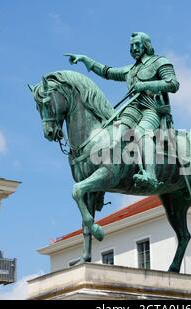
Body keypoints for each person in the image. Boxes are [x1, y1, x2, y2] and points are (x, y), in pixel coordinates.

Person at [67, 32, 179, 191]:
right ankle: (109, 174)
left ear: (145, 45)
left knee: (140, 133)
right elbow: (107, 71)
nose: (134, 48)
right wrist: (86, 59)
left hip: (152, 110)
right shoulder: (130, 70)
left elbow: (173, 84)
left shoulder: (159, 62)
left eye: (137, 45)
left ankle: (151, 175)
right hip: (133, 109)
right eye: (131, 46)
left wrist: (146, 86)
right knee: (114, 131)